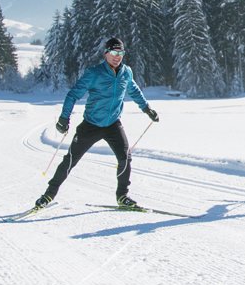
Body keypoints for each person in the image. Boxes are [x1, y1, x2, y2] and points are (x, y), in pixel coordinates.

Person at [35, 37, 158, 208]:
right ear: (106, 53)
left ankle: (122, 196)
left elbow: (134, 90)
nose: (117, 56)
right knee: (70, 160)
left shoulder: (126, 72)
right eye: (114, 52)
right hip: (91, 125)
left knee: (125, 159)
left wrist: (147, 109)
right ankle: (48, 195)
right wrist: (64, 118)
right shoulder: (94, 73)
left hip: (113, 124)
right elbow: (73, 94)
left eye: (121, 52)